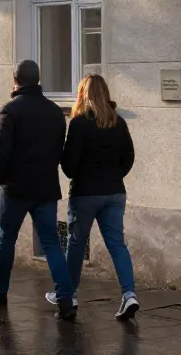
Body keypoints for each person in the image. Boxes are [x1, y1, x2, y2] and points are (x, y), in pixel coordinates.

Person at [0, 59, 77, 321]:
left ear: (16, 80)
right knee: (51, 242)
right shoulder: (55, 112)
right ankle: (65, 296)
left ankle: (0, 290)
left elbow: (0, 152)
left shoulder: (10, 110)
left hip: (15, 188)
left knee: (6, 238)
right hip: (45, 188)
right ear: (38, 79)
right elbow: (58, 151)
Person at [45, 74, 139, 321]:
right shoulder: (118, 123)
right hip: (115, 192)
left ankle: (68, 295)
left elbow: (69, 166)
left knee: (76, 245)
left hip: (85, 193)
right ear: (105, 93)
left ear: (82, 94)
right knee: (117, 245)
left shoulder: (79, 124)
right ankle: (129, 294)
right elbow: (128, 158)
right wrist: (113, 176)